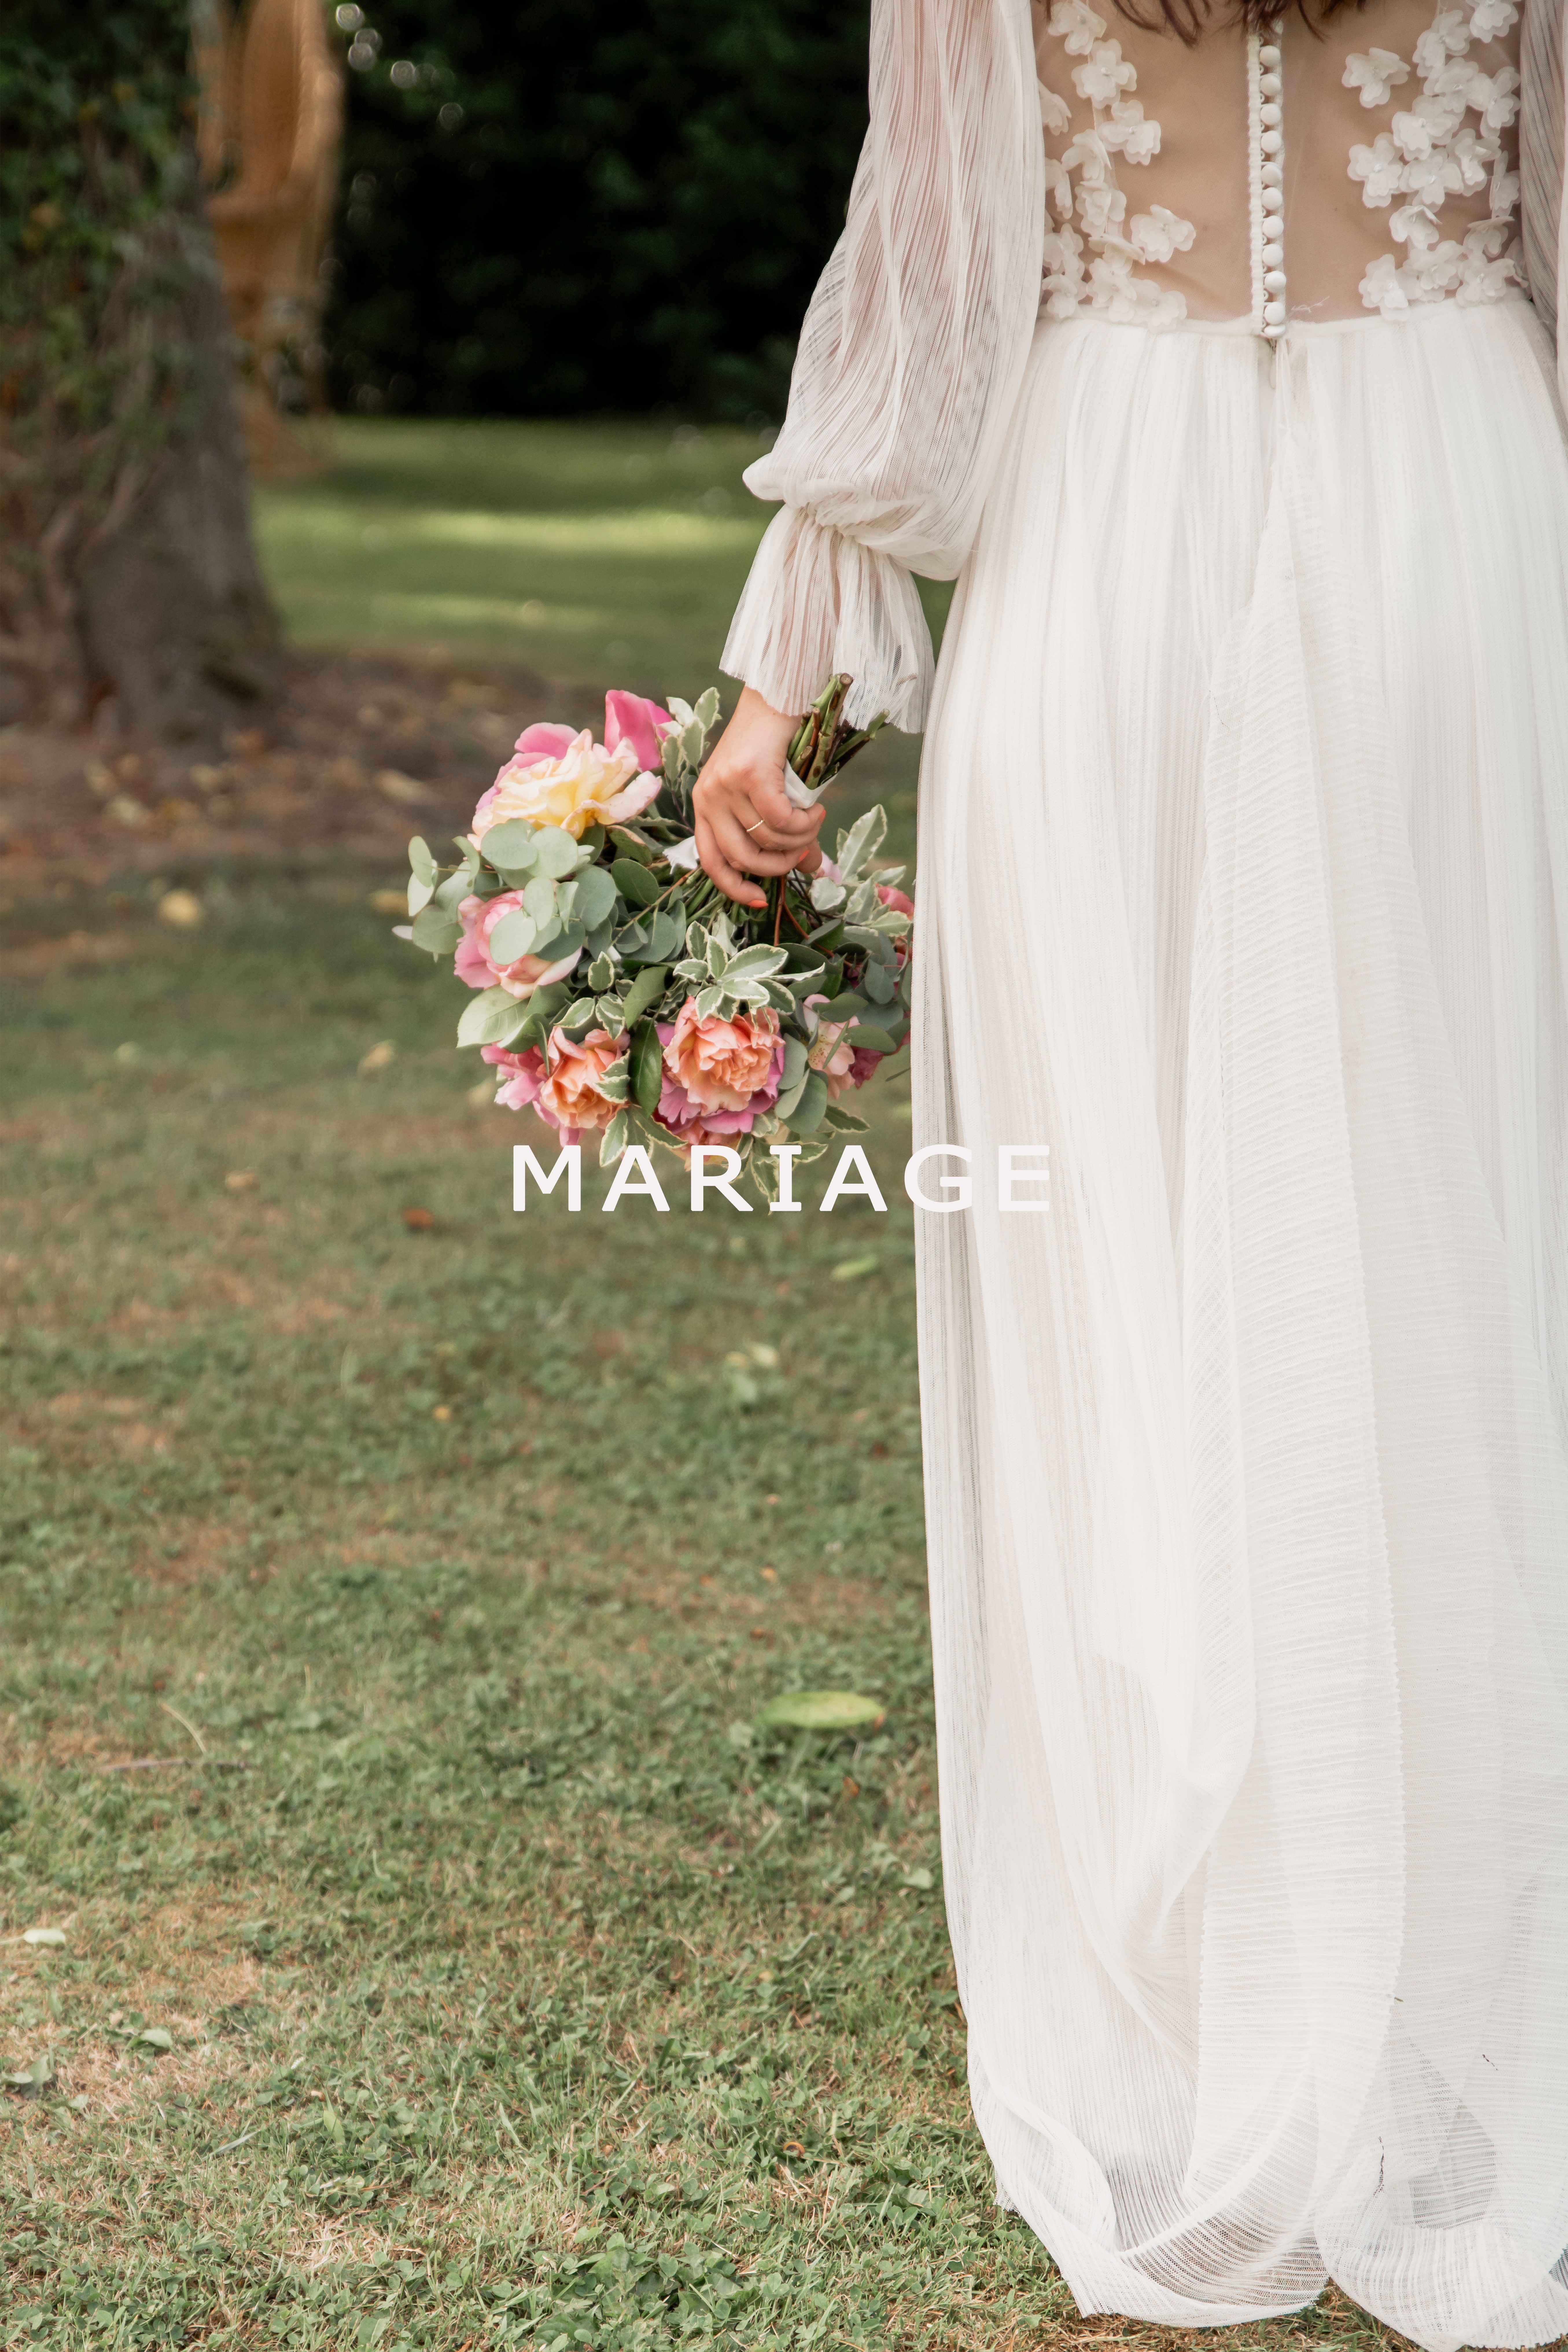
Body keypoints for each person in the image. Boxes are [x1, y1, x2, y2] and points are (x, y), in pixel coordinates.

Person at [692, 0, 1568, 2344]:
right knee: (1471, 1247)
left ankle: (1203, 1980)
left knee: (1125, 1274)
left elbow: (931, 286)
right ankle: (1428, 1958)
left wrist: (790, 689)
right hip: (1459, 529)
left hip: (1109, 546)